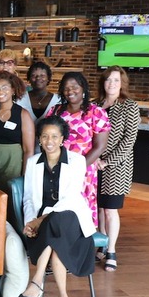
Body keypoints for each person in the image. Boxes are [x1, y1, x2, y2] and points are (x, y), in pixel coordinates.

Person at [15, 116, 96, 297]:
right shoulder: (33, 162)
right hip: (46, 223)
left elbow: (70, 198)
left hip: (72, 217)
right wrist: (30, 221)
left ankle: (37, 281)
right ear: (39, 139)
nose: (49, 140)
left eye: (54, 136)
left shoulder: (77, 161)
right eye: (44, 136)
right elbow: (28, 198)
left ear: (62, 139)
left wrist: (40, 220)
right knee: (55, 231)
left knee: (57, 221)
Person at [46, 72, 110, 226]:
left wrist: (78, 167)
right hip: (57, 167)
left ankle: (83, 245)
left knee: (81, 206)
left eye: (74, 87)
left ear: (83, 88)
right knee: (58, 204)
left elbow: (100, 146)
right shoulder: (55, 111)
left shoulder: (96, 112)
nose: (70, 91)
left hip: (84, 169)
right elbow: (47, 137)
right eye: (66, 88)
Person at [95, 66, 139, 271]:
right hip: (94, 165)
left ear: (122, 83)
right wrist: (93, 159)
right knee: (99, 209)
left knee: (111, 210)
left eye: (116, 80)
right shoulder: (95, 105)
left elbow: (129, 140)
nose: (111, 84)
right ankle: (101, 246)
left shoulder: (130, 106)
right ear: (103, 83)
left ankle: (111, 250)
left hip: (117, 167)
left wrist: (107, 161)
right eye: (108, 80)